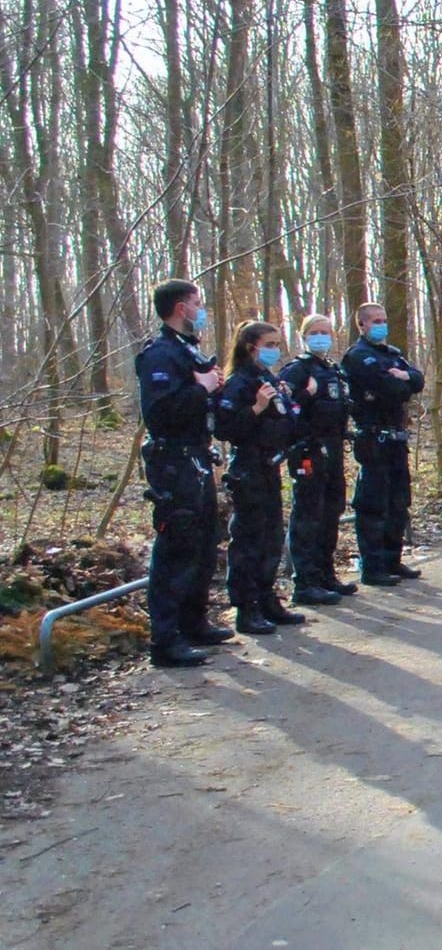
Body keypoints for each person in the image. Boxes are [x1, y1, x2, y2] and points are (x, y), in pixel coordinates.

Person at [136, 281, 228, 667]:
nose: (201, 309)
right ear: (179, 308)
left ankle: (194, 622)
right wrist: (201, 388)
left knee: (204, 544)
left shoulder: (189, 351)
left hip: (198, 457)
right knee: (177, 545)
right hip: (173, 462)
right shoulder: (160, 354)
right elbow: (160, 412)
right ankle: (165, 639)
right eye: (197, 304)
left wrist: (212, 386)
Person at [214, 321, 304, 635]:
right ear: (251, 347)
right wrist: (256, 407)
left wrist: (287, 403)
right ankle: (246, 606)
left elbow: (288, 422)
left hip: (270, 465)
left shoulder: (269, 377)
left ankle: (267, 598)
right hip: (247, 467)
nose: (275, 350)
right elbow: (225, 428)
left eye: (278, 344)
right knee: (248, 540)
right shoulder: (239, 382)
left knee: (270, 538)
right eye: (270, 344)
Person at [345, 303, 426, 586]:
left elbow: (416, 380)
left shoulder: (393, 354)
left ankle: (393, 559)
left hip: (396, 438)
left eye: (384, 319)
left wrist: (404, 378)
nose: (381, 324)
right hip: (372, 437)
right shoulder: (357, 356)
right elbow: (388, 388)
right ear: (362, 325)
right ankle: (373, 566)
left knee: (398, 502)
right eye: (375, 321)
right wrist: (400, 382)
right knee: (373, 504)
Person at [282, 315, 357, 605]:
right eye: (314, 332)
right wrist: (306, 393)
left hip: (333, 447)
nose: (321, 337)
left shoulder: (333, 371)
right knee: (308, 515)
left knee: (331, 511)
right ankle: (305, 581)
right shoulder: (297, 371)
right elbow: (286, 410)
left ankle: (326, 573)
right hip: (307, 451)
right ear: (303, 336)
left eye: (325, 332)